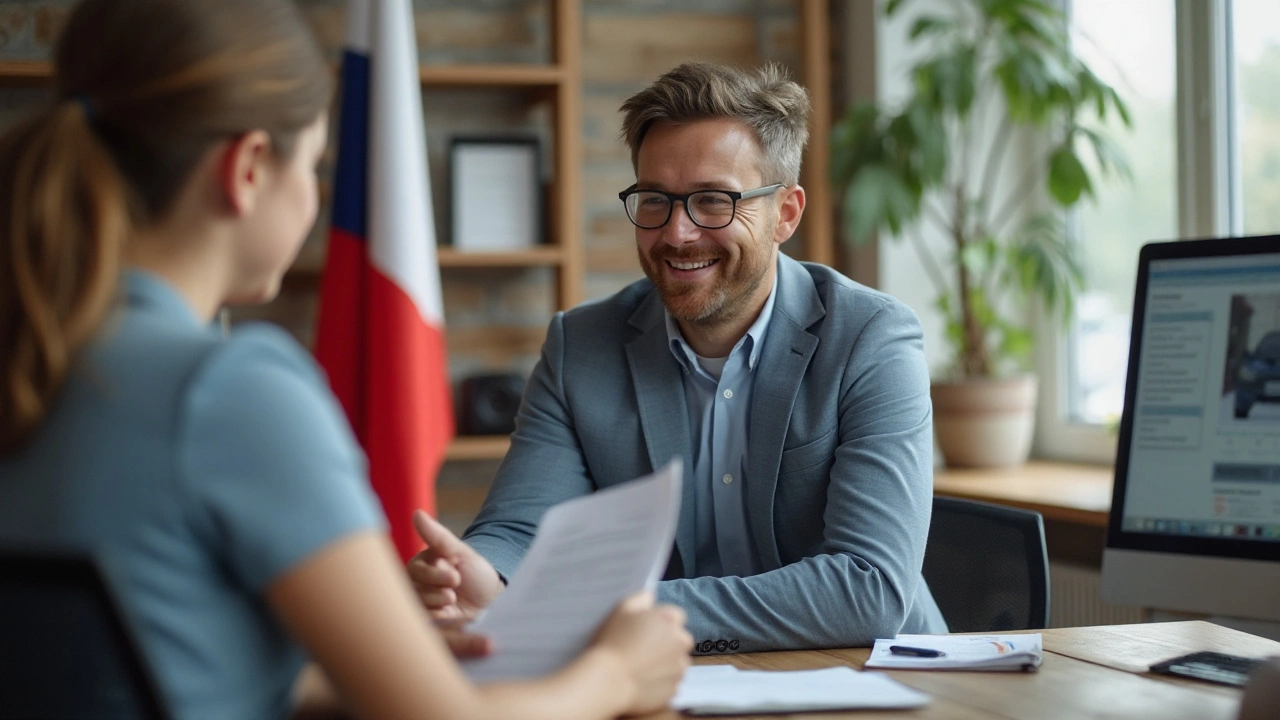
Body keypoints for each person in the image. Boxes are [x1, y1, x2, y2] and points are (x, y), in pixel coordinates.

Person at [0, 1, 691, 718]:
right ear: (247, 168)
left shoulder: (33, 359)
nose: (314, 199)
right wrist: (615, 671)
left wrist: (372, 673)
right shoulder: (230, 391)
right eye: (315, 165)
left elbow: (148, 671)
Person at [411, 62, 948, 654]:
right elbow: (518, 530)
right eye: (654, 200)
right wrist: (484, 578)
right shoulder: (580, 346)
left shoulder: (871, 338)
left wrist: (610, 613)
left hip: (876, 682)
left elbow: (867, 590)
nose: (679, 233)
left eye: (714, 201)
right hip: (670, 685)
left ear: (786, 214)